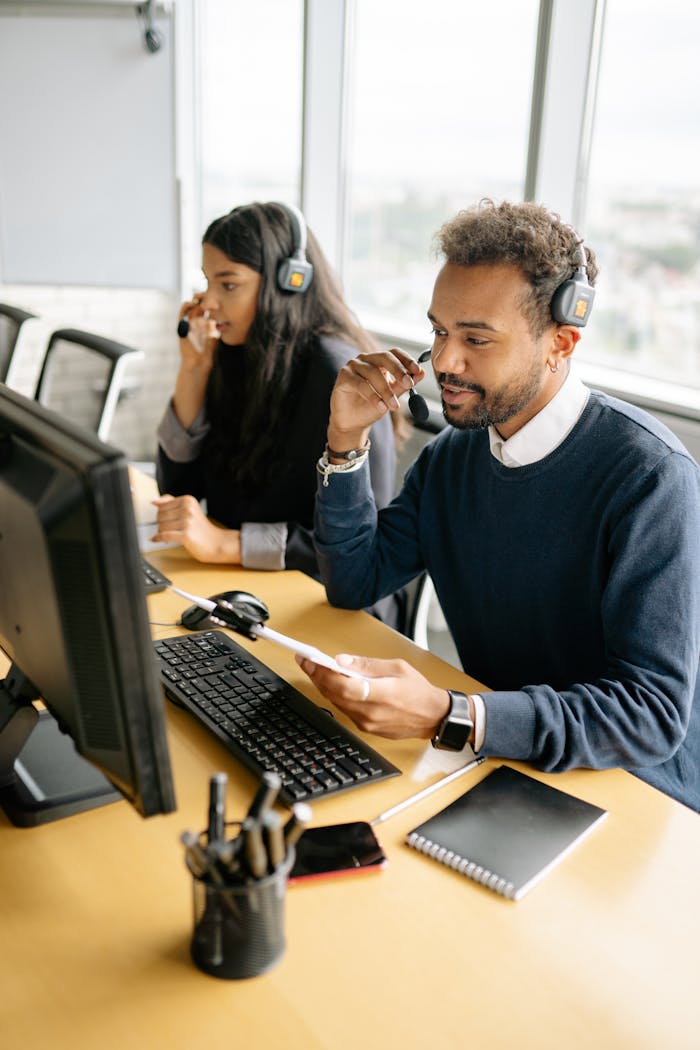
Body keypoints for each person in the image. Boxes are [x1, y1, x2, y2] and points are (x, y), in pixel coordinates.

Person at [295, 198, 700, 812]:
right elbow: (355, 580)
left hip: (635, 797)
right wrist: (345, 439)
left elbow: (650, 716)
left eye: (476, 339)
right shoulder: (452, 460)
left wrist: (455, 714)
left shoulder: (649, 478)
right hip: (510, 767)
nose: (445, 363)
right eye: (439, 331)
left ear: (560, 343)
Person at [152, 201, 401, 622]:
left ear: (290, 282)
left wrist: (225, 544)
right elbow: (179, 491)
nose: (208, 302)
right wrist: (193, 371)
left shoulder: (338, 377)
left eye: (228, 285)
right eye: (207, 281)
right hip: (249, 588)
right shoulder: (236, 355)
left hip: (329, 606)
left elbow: (362, 547)